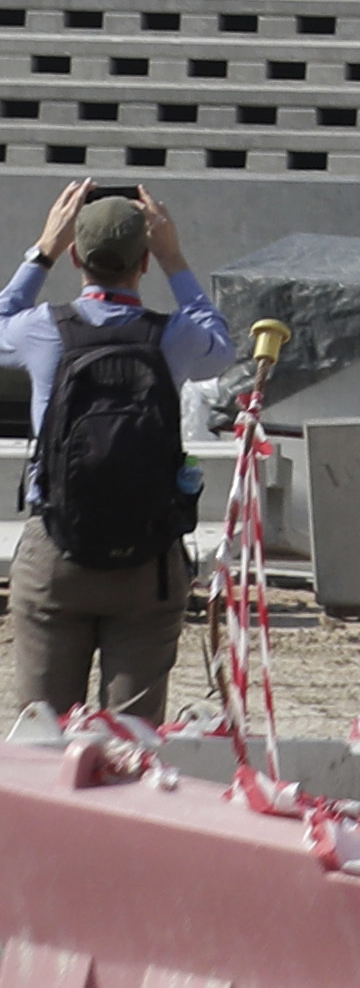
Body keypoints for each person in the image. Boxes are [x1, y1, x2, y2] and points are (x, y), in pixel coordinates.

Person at [6, 182, 237, 722]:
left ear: (76, 256)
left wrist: (40, 251)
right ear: (145, 262)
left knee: (41, 740)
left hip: (56, 547)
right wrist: (176, 259)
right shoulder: (173, 335)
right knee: (131, 744)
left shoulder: (45, 329)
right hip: (147, 558)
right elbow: (221, 347)